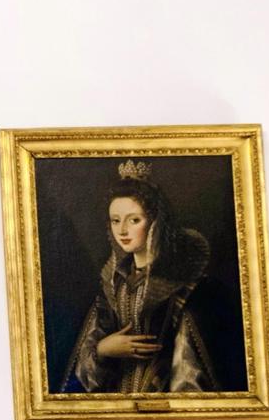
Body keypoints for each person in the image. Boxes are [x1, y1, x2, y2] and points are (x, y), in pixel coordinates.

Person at [63, 160, 217, 394]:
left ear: (156, 223)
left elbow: (189, 372)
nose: (122, 230)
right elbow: (84, 374)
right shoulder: (113, 285)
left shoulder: (184, 286)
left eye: (134, 220)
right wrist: (103, 349)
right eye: (116, 220)